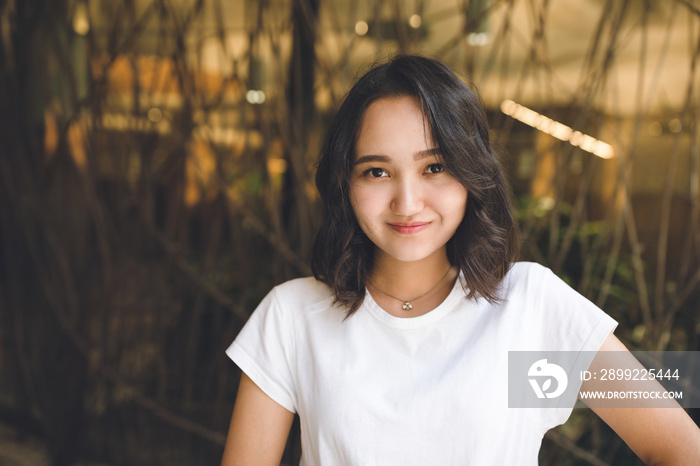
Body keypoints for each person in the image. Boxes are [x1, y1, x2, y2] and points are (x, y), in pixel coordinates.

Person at [220, 55, 700, 465]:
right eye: (376, 171)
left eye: (435, 167)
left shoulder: (528, 309)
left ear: (472, 173)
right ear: (345, 185)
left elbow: (681, 449)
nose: (407, 202)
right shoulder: (294, 317)